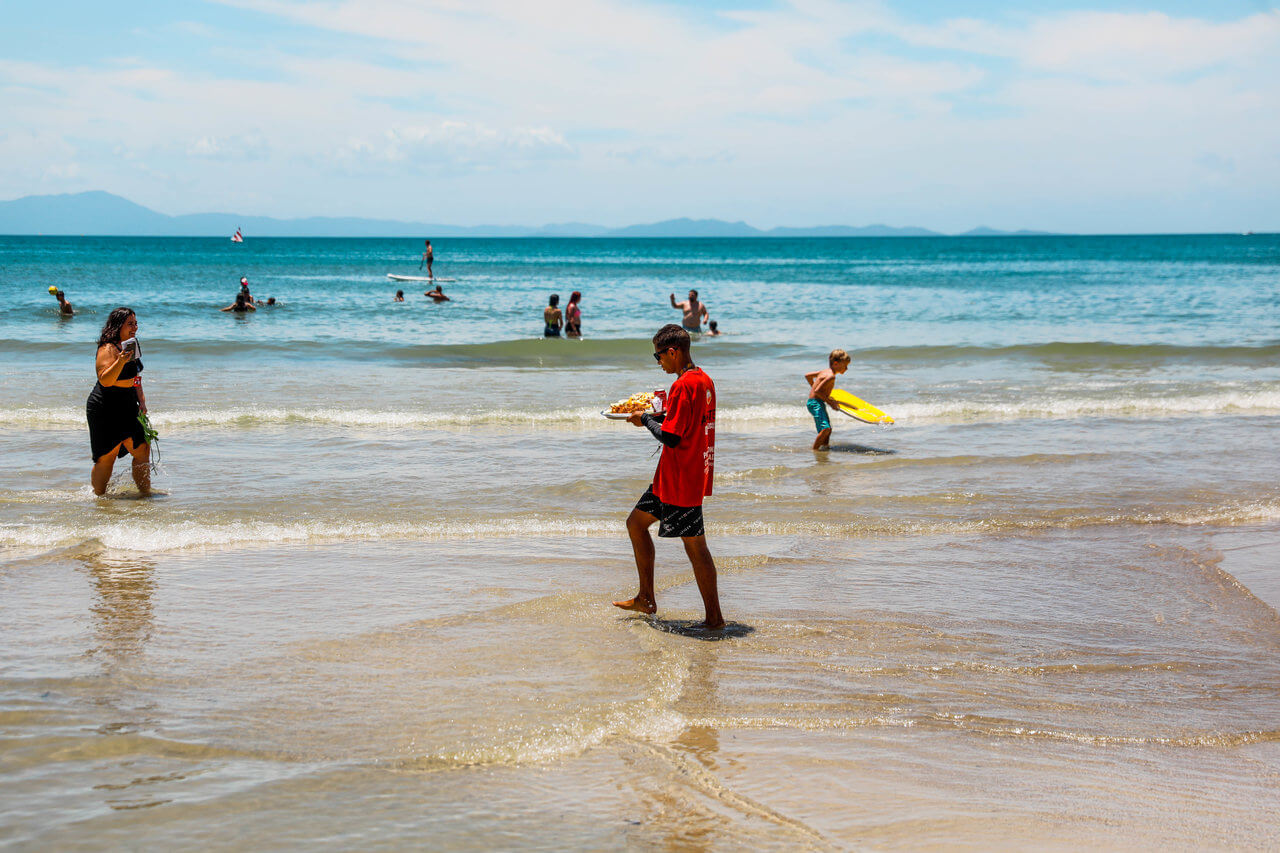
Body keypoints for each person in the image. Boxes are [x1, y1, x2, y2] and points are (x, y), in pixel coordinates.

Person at [615, 324, 723, 630]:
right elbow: (687, 421)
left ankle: (714, 619)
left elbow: (672, 437)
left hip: (681, 480)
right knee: (635, 524)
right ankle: (645, 598)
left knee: (696, 547)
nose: (658, 362)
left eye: (659, 356)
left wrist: (645, 420)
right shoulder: (703, 380)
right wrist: (659, 415)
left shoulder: (683, 385)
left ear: (672, 352)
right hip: (672, 476)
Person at [86, 307, 151, 496]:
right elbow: (105, 380)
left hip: (128, 403)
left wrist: (142, 400)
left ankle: (145, 494)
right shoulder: (107, 348)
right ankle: (99, 498)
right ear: (118, 325)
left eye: (136, 323)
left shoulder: (131, 344)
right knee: (108, 455)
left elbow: (136, 376)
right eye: (130, 324)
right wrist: (120, 361)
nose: (135, 327)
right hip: (104, 406)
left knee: (142, 449)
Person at [804, 349, 851, 451]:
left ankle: (825, 448)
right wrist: (831, 403)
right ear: (836, 363)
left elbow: (807, 376)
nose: (847, 368)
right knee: (826, 429)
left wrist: (814, 387)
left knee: (827, 429)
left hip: (816, 402)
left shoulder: (824, 372)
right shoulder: (830, 376)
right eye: (845, 365)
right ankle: (815, 450)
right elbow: (817, 391)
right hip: (816, 403)